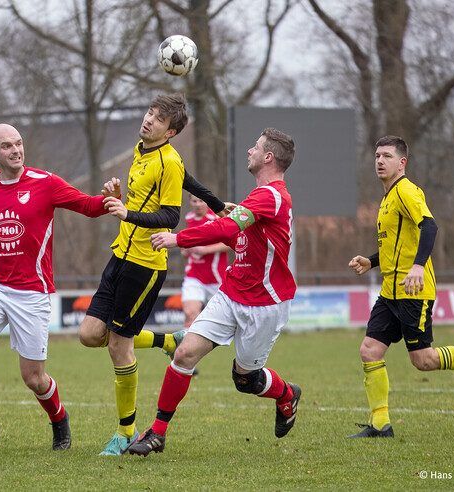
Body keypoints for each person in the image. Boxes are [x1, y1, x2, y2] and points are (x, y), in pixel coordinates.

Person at [0, 123, 120, 452]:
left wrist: (109, 200)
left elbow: (87, 206)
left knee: (33, 378)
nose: (16, 150)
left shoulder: (46, 183)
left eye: (18, 143)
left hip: (32, 291)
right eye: (6, 146)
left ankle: (59, 418)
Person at [127, 127, 301, 457]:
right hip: (231, 293)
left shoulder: (271, 195)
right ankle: (157, 432)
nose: (249, 150)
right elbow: (242, 238)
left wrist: (179, 238)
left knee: (245, 379)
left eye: (256, 147)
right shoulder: (260, 196)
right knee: (184, 354)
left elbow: (227, 229)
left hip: (265, 303)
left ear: (268, 157)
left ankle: (286, 395)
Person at [78, 93, 232, 456]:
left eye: (158, 119)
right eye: (149, 113)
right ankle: (167, 342)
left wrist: (126, 213)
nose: (148, 120)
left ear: (171, 131)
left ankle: (125, 432)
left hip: (146, 265)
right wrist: (215, 203)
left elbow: (169, 217)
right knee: (89, 334)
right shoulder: (141, 150)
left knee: (119, 345)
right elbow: (190, 180)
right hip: (120, 254)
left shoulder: (168, 161)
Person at [346, 135, 454, 438]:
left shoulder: (406, 191)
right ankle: (380, 424)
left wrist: (418, 266)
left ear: (402, 163)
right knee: (370, 350)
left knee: (423, 360)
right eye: (376, 156)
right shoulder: (387, 198)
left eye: (387, 156)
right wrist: (371, 262)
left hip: (413, 291)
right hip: (390, 291)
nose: (380, 161)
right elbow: (398, 244)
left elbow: (429, 226)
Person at [180, 195, 230, 328]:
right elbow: (187, 245)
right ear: (190, 202)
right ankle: (186, 348)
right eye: (194, 201)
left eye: (201, 201)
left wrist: (205, 250)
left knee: (227, 318)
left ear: (207, 203)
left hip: (216, 277)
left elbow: (230, 244)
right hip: (194, 275)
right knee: (190, 314)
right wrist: (185, 250)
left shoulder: (217, 219)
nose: (198, 204)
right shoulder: (189, 218)